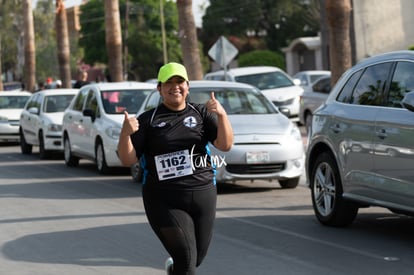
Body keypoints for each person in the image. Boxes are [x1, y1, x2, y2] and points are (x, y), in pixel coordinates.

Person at [117, 62, 233, 275]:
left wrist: (222, 116)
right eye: (168, 83)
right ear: (159, 89)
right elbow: (127, 159)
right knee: (186, 258)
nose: (175, 87)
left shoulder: (200, 114)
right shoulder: (148, 120)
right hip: (163, 200)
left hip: (203, 193)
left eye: (179, 81)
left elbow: (225, 145)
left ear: (188, 86)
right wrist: (125, 134)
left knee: (195, 258)